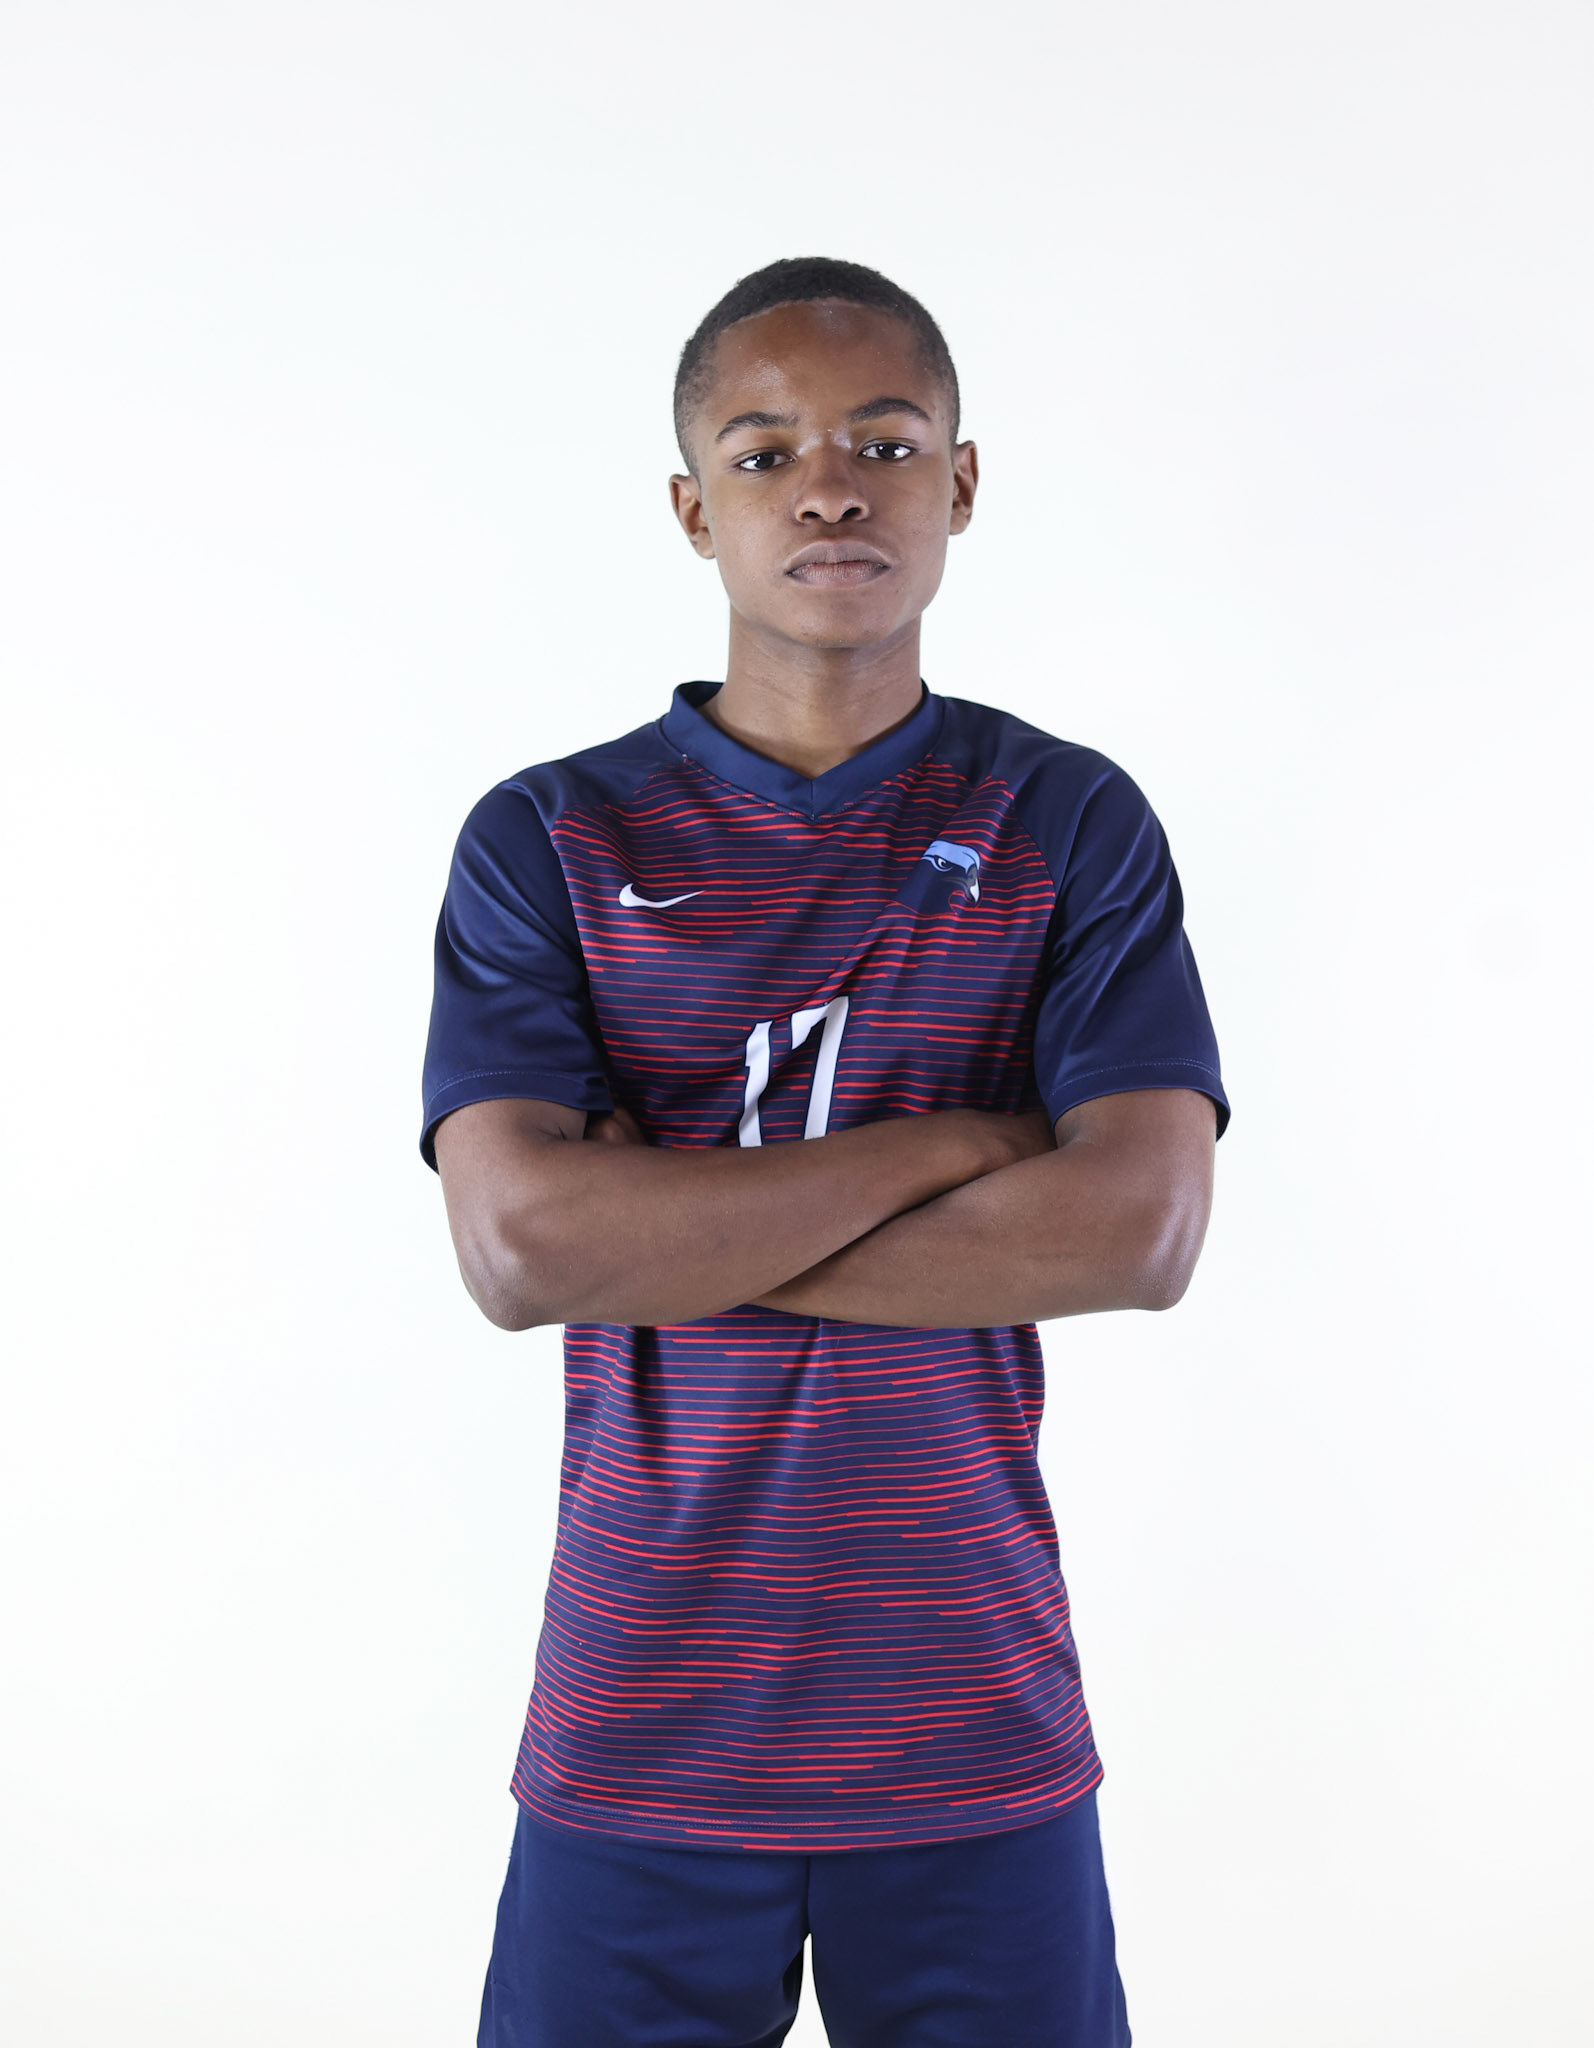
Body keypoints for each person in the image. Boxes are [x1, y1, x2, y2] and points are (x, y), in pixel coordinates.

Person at [421, 256, 1228, 2048]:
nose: (831, 483)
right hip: (641, 1723)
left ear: (959, 483)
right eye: (766, 449)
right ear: (694, 507)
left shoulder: (1061, 819)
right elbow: (521, 1256)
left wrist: (662, 1219)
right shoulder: (548, 836)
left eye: (882, 438)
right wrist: (952, 1142)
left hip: (968, 1720)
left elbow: (1138, 1232)